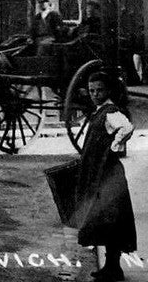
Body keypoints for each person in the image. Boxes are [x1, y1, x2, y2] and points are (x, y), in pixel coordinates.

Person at [74, 71, 136, 281]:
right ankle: (111, 267)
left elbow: (127, 126)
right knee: (107, 220)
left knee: (112, 219)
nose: (95, 94)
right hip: (101, 174)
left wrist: (115, 144)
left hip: (109, 174)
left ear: (108, 90)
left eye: (100, 90)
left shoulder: (110, 112)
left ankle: (113, 268)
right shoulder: (100, 112)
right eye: (92, 90)